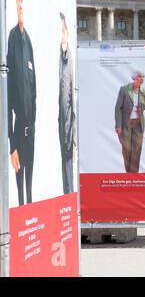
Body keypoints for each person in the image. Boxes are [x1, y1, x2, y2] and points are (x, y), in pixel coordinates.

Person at [7, 0, 37, 206]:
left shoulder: (29, 43)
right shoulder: (12, 40)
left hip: (31, 128)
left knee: (30, 184)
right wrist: (12, 146)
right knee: (19, 185)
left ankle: (31, 217)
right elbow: (7, 101)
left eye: (22, 4)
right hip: (18, 130)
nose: (20, 8)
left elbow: (34, 88)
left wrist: (34, 121)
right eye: (17, 4)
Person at [115, 72, 145, 173]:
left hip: (138, 123)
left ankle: (134, 174)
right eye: (140, 76)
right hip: (125, 123)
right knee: (127, 148)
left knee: (137, 149)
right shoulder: (124, 89)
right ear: (134, 78)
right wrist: (118, 125)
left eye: (143, 77)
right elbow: (118, 108)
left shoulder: (144, 92)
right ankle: (128, 172)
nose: (142, 79)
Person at [58, 12, 75, 194]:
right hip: (56, 119)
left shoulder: (69, 57)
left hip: (68, 124)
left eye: (63, 31)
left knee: (68, 167)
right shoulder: (53, 56)